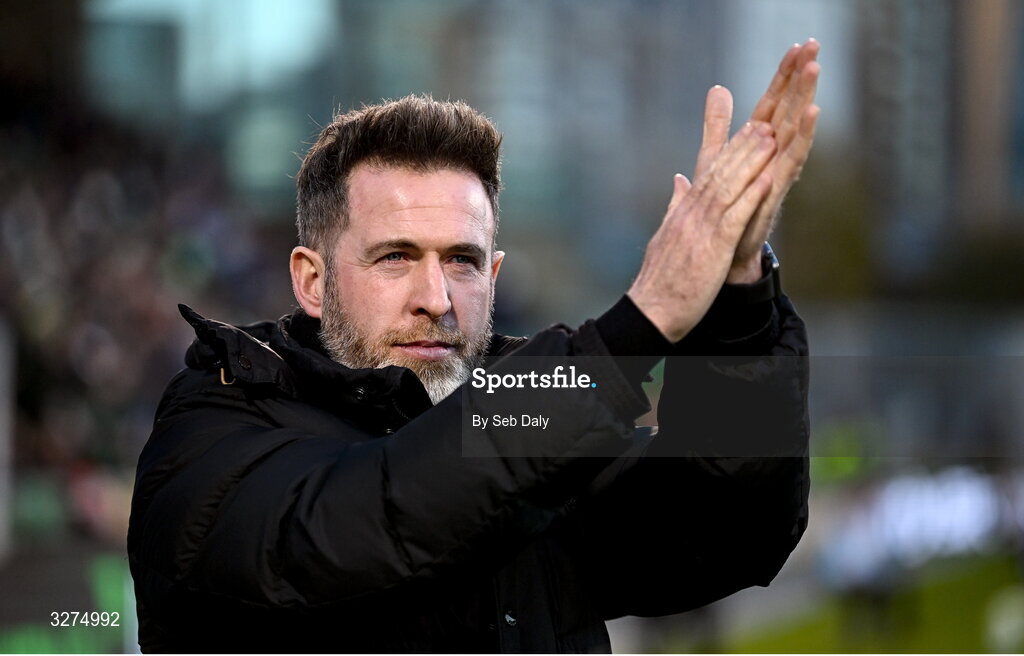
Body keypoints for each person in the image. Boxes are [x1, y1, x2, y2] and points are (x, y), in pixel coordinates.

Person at [128, 40, 821, 653]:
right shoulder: (216, 417)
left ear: (493, 277)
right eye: (395, 257)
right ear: (312, 281)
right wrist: (634, 333)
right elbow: (359, 522)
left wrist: (739, 302)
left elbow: (733, 530)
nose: (436, 296)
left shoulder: (515, 414)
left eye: (462, 260)